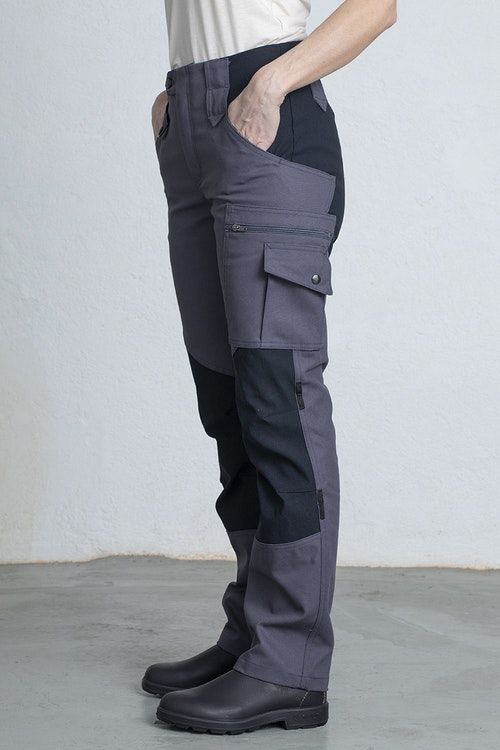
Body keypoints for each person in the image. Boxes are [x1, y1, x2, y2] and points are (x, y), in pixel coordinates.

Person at [143, 0, 396, 734]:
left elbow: (380, 6)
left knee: (276, 396)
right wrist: (177, 107)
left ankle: (290, 663)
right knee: (225, 399)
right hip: (194, 119)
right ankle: (253, 631)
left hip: (266, 113)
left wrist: (272, 82)